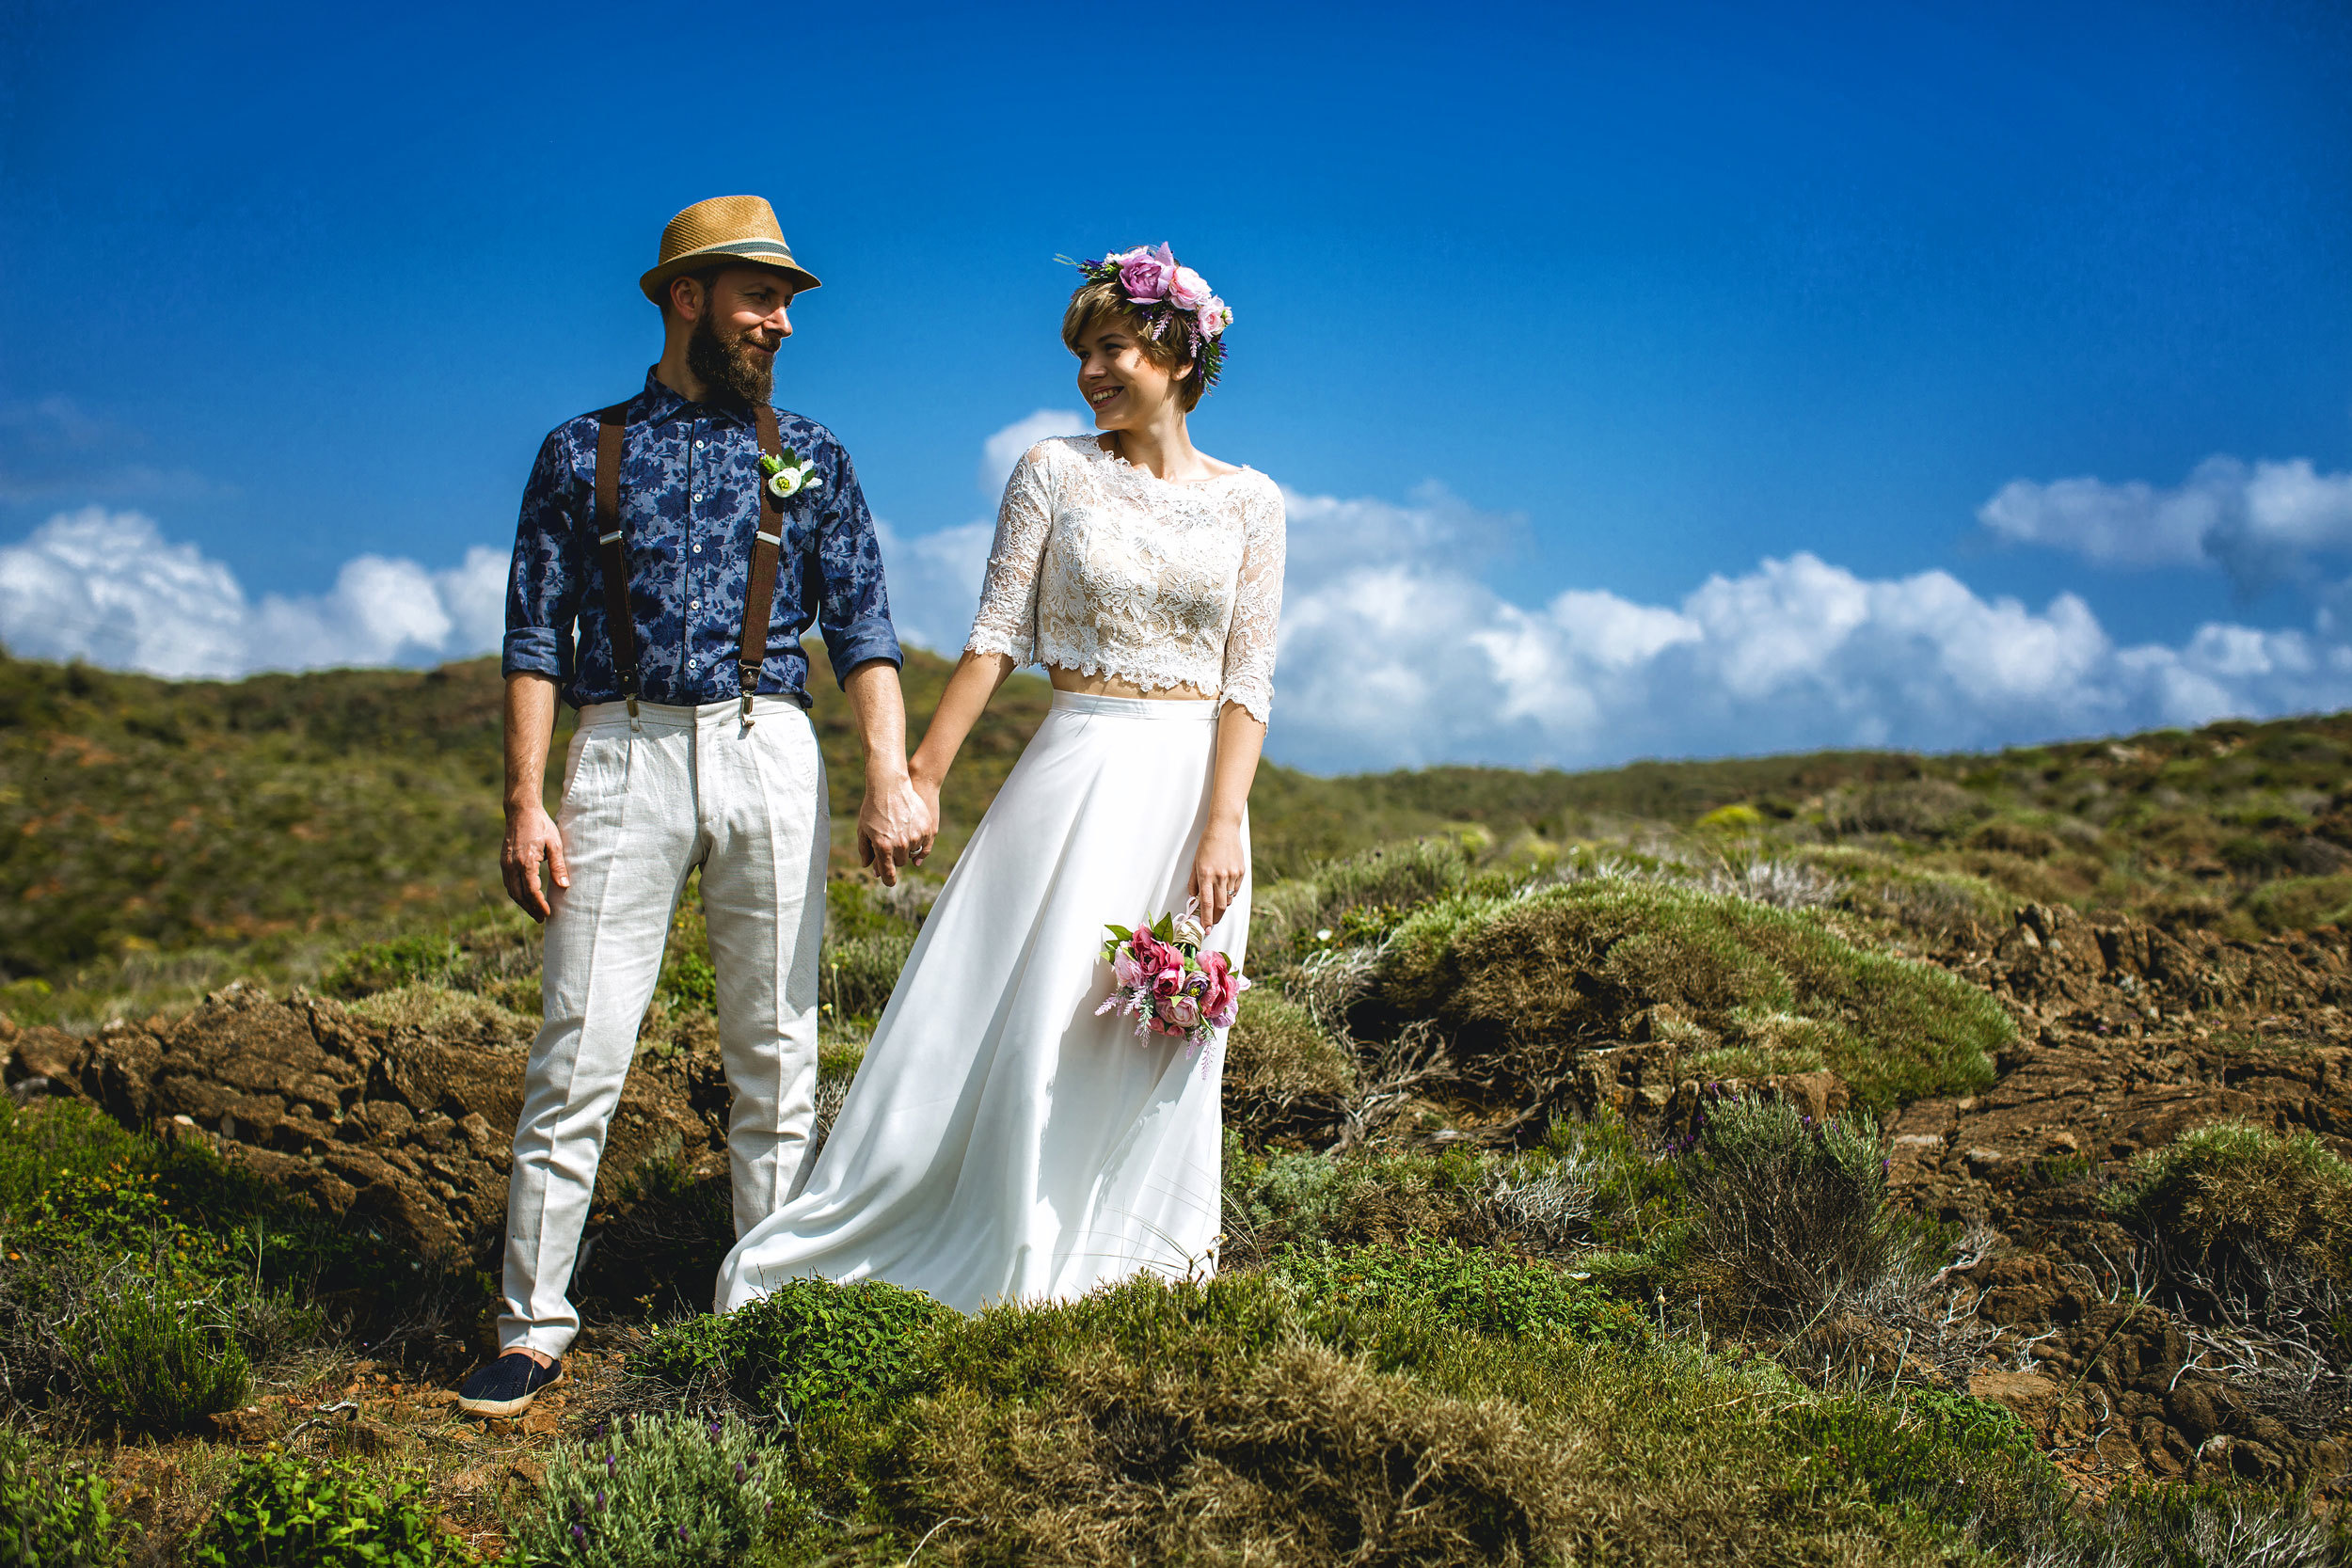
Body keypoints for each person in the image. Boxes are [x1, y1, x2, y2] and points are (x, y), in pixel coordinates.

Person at [716, 244, 1280, 1314]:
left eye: (1111, 347)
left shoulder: (1254, 502)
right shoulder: (1053, 471)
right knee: (1038, 1024)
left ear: (1175, 350)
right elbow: (993, 637)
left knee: (1161, 1033)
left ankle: (1133, 1270)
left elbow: (1247, 681)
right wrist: (921, 773)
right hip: (1075, 773)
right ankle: (1001, 1253)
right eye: (1084, 354)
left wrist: (1224, 823)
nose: (1091, 373)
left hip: (1192, 802)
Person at [456, 196, 932, 1418]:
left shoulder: (813, 451)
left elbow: (863, 628)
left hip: (769, 745)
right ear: (687, 297)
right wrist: (525, 799)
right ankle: (532, 1325)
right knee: (579, 1045)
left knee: (777, 1049)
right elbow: (532, 638)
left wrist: (889, 772)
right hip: (618, 755)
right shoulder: (580, 450)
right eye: (760, 296)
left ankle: (761, 1310)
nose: (780, 320)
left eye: (785, 302)